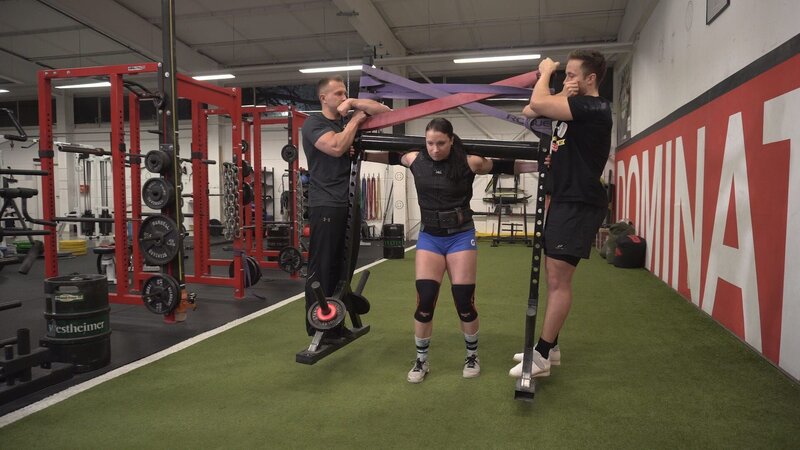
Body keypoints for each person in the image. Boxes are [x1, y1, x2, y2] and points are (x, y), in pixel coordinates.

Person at [364, 118, 536, 383]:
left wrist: (541, 163)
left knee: (464, 300)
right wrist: (358, 153)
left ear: (452, 140)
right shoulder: (414, 159)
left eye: (441, 143)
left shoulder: (469, 161)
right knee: (425, 300)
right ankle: (421, 360)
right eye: (430, 143)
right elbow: (387, 157)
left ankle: (472, 355)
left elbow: (507, 165)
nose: (434, 149)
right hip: (430, 238)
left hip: (460, 237)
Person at [509, 50, 612, 378]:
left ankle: (541, 355)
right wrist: (559, 91)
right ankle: (551, 348)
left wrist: (546, 73)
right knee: (554, 277)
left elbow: (537, 103)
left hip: (579, 202)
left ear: (590, 79)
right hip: (565, 199)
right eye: (565, 74)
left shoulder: (595, 107)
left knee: (558, 281)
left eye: (571, 75)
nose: (567, 79)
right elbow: (529, 110)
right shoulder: (573, 106)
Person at [301, 75, 390, 337]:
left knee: (344, 266)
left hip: (349, 203)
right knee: (323, 267)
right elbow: (337, 146)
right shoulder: (314, 123)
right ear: (323, 98)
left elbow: (386, 113)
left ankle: (336, 325)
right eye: (338, 94)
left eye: (345, 93)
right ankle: (317, 326)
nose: (343, 97)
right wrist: (354, 120)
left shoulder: (345, 119)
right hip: (326, 203)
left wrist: (352, 103)